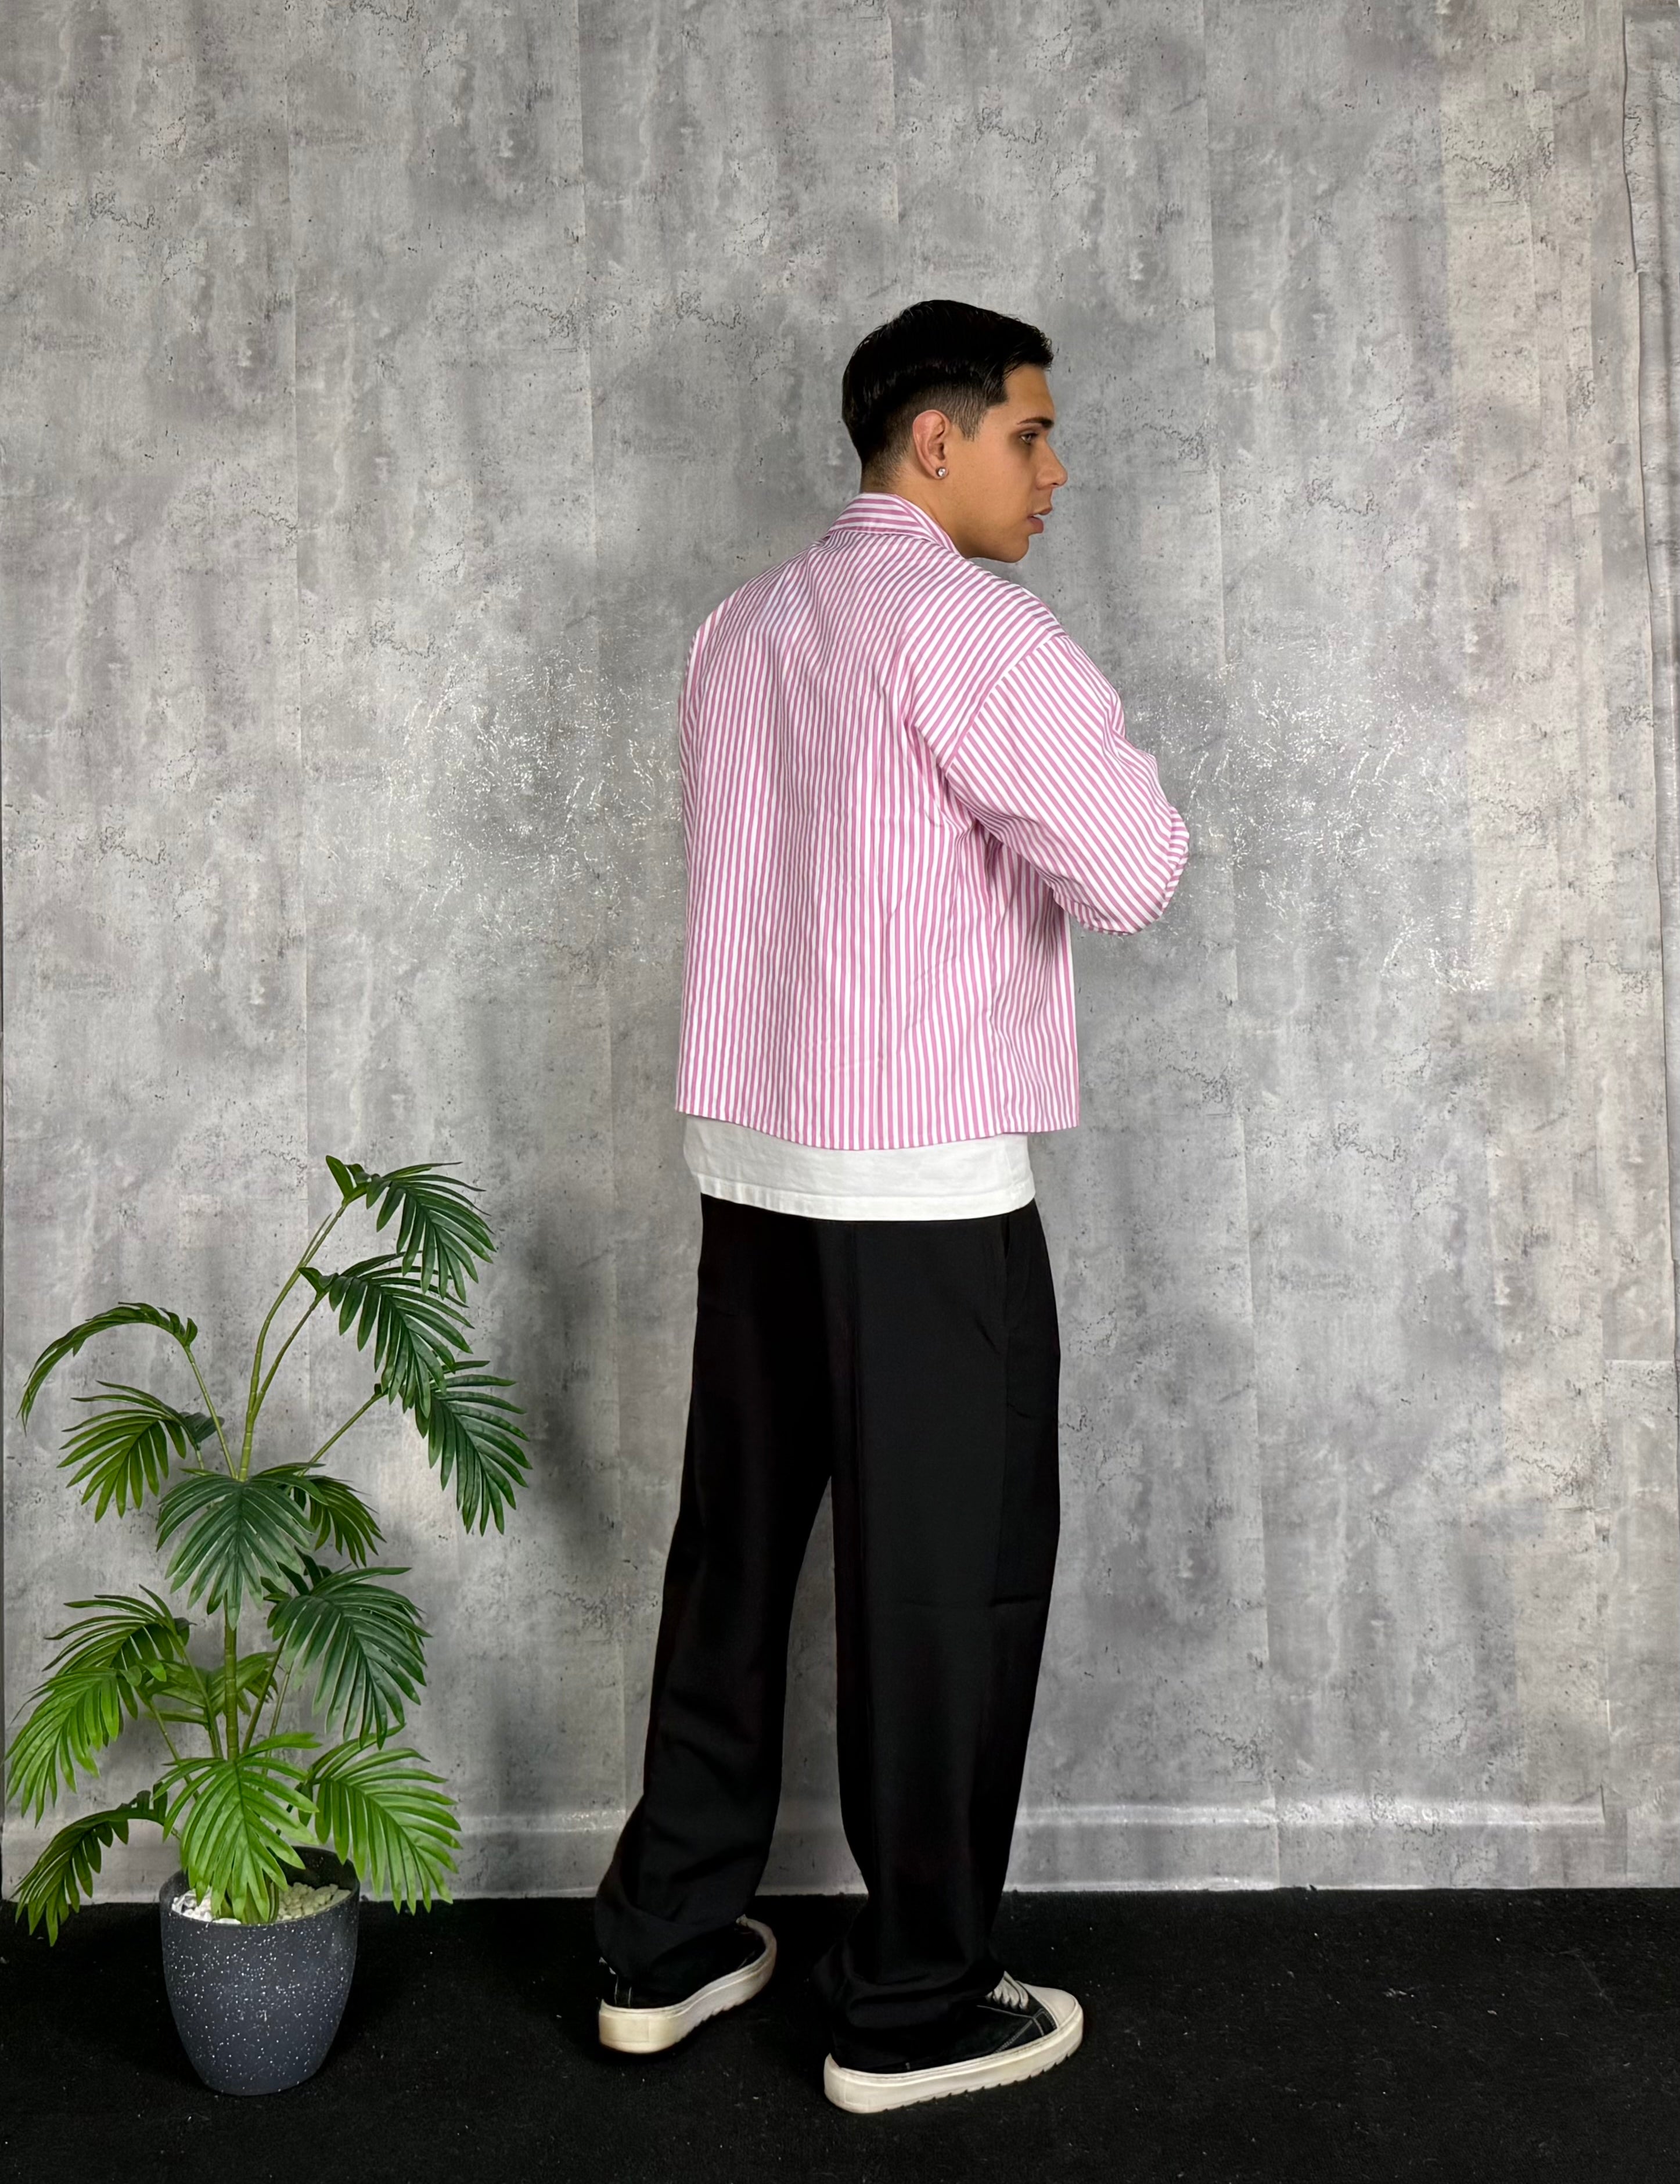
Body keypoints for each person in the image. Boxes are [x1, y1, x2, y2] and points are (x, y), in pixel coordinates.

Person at [591, 297, 1190, 2114]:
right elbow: (1134, 871)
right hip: (922, 1183)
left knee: (734, 1556)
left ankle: (668, 1939)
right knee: (948, 1591)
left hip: (754, 1168)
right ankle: (914, 2003)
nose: (1055, 470)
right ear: (936, 440)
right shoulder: (974, 629)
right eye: (1030, 432)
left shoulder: (740, 627)